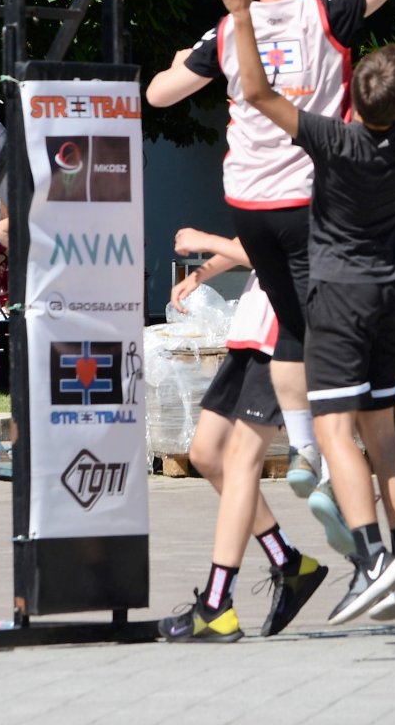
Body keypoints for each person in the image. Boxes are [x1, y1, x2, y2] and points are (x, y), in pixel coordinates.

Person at [145, 0, 395, 533]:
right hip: (312, 202)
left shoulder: (228, 33)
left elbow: (162, 93)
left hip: (248, 202)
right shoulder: (325, 12)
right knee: (315, 333)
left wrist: (187, 58)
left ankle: (305, 452)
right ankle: (315, 457)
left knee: (288, 318)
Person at [212, 0, 395, 626]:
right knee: (385, 430)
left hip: (339, 294)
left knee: (337, 429)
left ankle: (371, 555)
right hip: (388, 291)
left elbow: (254, 93)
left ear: (353, 104)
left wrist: (240, 15)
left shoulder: (330, 142)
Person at [160, 228, 331, 642]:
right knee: (205, 454)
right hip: (250, 337)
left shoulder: (309, 176)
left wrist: (203, 240)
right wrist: (199, 275)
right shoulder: (277, 177)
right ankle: (289, 562)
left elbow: (268, 251)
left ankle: (217, 606)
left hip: (281, 344)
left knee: (239, 462)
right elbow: (251, 240)